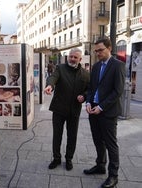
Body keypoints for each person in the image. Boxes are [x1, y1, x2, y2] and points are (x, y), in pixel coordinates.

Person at [83, 38, 125, 188]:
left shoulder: (118, 65)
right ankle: (100, 165)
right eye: (96, 51)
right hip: (93, 110)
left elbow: (117, 91)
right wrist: (88, 102)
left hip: (107, 112)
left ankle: (113, 176)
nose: (98, 53)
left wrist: (101, 107)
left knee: (110, 144)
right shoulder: (95, 67)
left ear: (109, 48)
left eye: (100, 50)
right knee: (97, 140)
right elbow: (91, 88)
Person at [44, 48, 90, 171]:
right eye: (71, 56)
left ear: (80, 59)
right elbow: (53, 78)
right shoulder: (60, 68)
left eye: (75, 57)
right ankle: (56, 158)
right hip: (59, 108)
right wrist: (50, 86)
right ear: (68, 57)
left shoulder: (85, 74)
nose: (72, 59)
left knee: (72, 136)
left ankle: (69, 159)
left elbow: (88, 89)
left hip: (74, 110)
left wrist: (84, 96)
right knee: (57, 135)